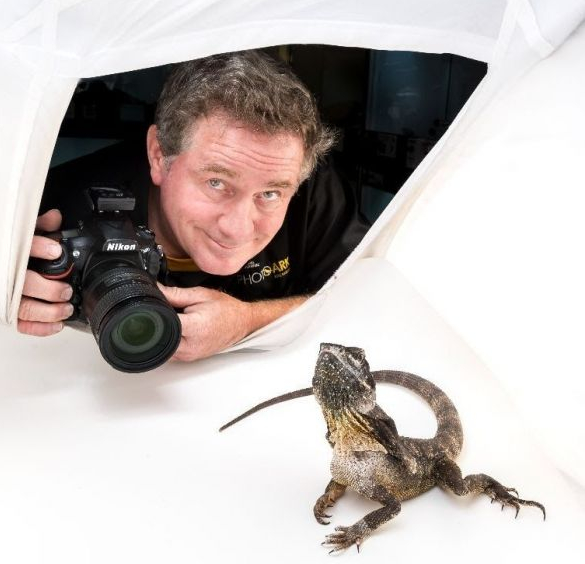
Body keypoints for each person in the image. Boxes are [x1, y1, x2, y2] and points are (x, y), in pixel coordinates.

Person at [18, 51, 370, 361]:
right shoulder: (48, 211)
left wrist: (249, 320)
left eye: (270, 195)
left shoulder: (310, 187)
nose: (237, 228)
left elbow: (377, 293)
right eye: (216, 183)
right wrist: (3, 293)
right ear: (159, 155)